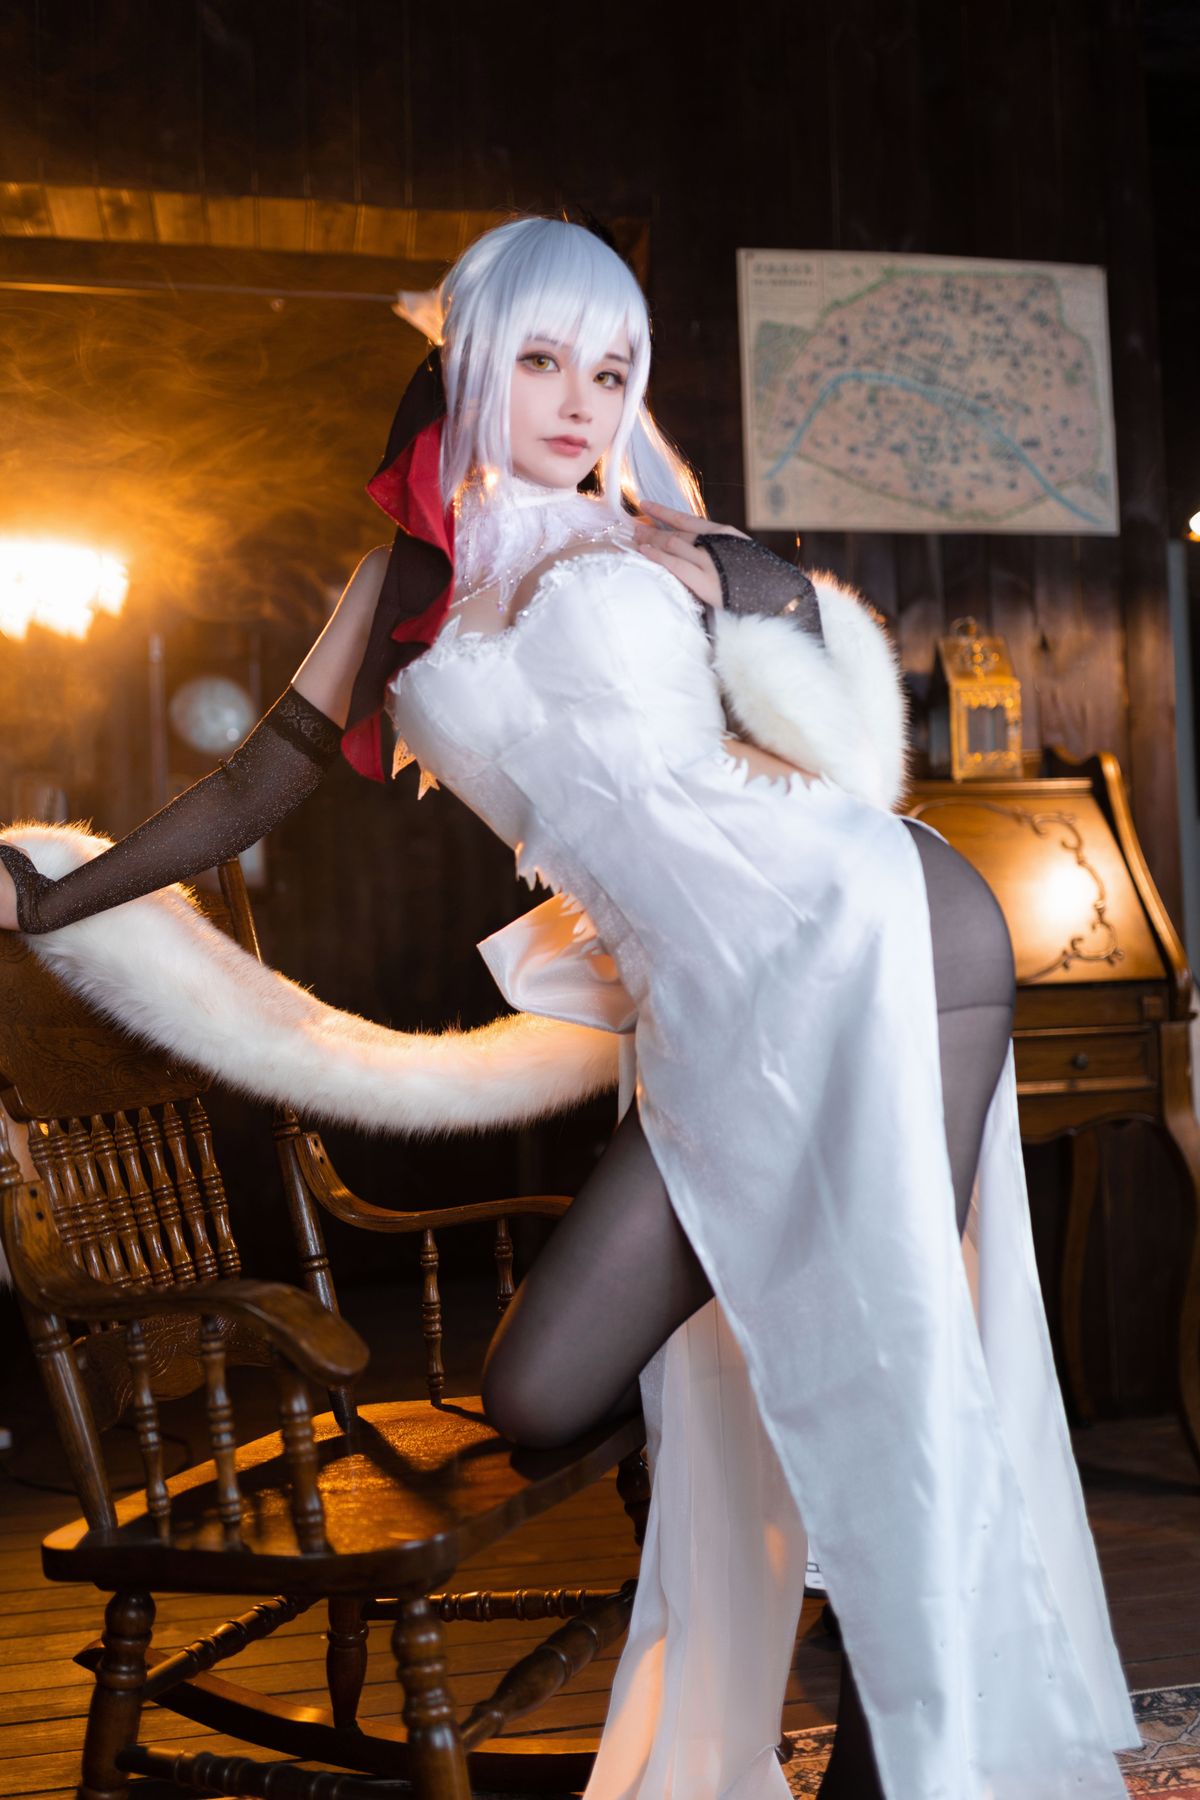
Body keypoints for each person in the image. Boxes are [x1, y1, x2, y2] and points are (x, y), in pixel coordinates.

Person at [0, 217, 1137, 1799]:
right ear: (468, 361)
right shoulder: (404, 582)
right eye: (542, 361)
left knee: (892, 1347)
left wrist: (740, 572)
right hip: (705, 1011)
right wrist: (56, 897)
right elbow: (260, 781)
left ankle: (906, 1762)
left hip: (874, 928)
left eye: (611, 372)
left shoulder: (650, 529)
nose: (580, 403)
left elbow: (826, 708)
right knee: (540, 1387)